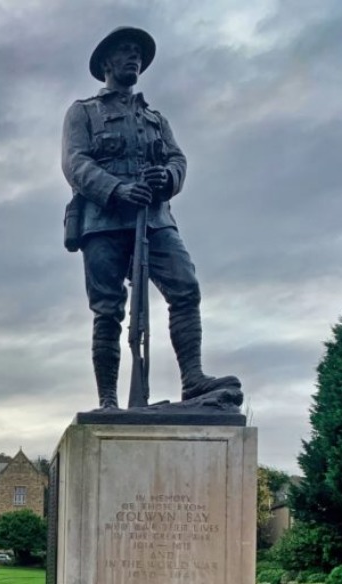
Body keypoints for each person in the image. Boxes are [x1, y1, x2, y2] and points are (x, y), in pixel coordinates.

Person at [61, 26, 240, 410]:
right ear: (107, 63)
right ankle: (109, 399)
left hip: (155, 219)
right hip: (103, 221)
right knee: (108, 309)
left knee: (185, 287)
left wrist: (168, 178)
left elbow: (178, 159)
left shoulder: (155, 119)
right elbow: (75, 163)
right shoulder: (83, 112)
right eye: (126, 51)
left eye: (138, 54)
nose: (135, 58)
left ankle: (193, 379)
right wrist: (116, 189)